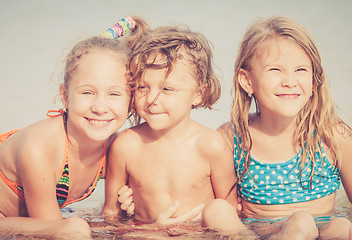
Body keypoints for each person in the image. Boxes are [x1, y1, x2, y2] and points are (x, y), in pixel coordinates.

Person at [0, 17, 146, 239]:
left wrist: (132, 204)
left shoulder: (116, 148)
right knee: (74, 228)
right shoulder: (39, 148)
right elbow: (53, 228)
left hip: (26, 221)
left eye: (114, 94)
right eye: (87, 92)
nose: (100, 108)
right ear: (65, 96)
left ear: (130, 101)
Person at [201, 16, 352, 239]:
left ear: (314, 80)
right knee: (216, 210)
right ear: (247, 81)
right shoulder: (231, 138)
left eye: (300, 70)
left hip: (322, 231)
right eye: (275, 70)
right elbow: (222, 204)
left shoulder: (332, 135)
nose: (290, 81)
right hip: (257, 233)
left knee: (338, 226)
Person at [102, 24, 237, 224]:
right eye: (142, 87)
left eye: (167, 89)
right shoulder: (126, 145)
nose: (151, 99)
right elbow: (110, 215)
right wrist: (142, 227)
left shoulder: (211, 146)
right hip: (148, 235)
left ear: (199, 93)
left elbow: (230, 212)